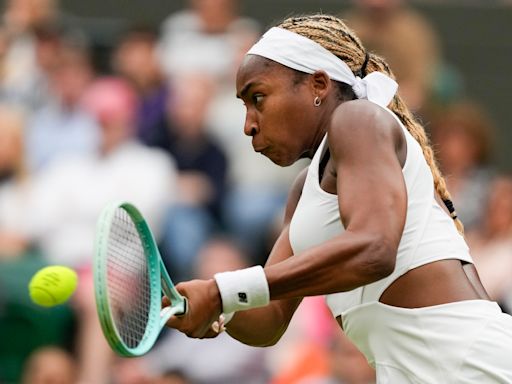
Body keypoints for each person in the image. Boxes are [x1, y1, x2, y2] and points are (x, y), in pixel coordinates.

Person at [163, 14, 512, 382]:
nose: (248, 123)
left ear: (318, 85)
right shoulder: (303, 190)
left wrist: (224, 291)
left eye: (259, 98)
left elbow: (374, 247)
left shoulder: (358, 119)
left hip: (473, 367)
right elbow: (271, 320)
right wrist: (216, 308)